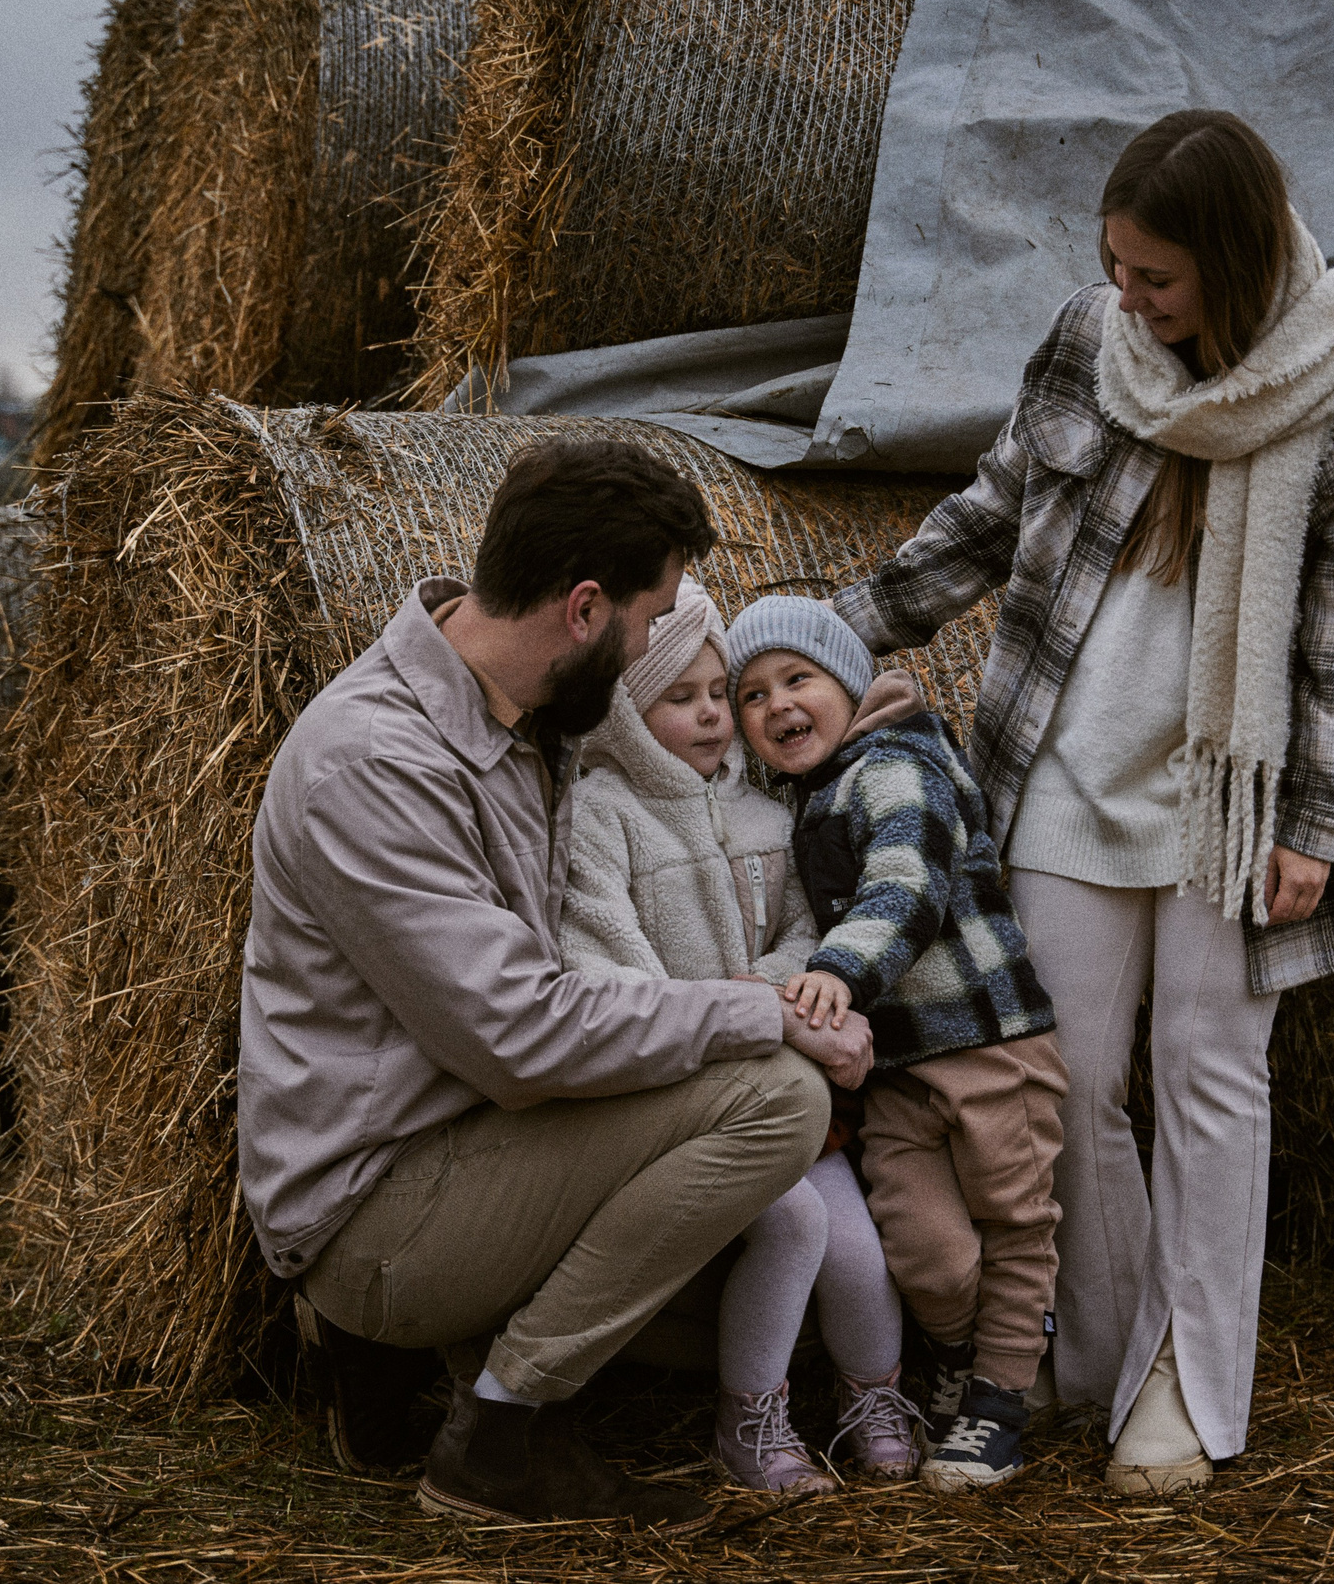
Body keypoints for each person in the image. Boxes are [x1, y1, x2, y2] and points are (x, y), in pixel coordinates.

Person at [832, 109, 1334, 1496]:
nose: (1130, 298)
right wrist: (838, 631)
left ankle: (1186, 1382)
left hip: (1244, 791)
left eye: (1158, 277)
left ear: (1230, 260)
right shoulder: (1090, 346)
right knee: (1069, 1077)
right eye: (1115, 265)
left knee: (1211, 1076)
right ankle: (1095, 1352)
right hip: (1068, 765)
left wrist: (1319, 822)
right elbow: (987, 514)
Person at [237, 438, 875, 1532]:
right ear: (585, 610)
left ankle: (411, 1366)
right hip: (378, 1206)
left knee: (752, 1295)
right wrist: (763, 1008)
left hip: (471, 1141)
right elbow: (521, 1039)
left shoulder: (524, 717)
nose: (651, 656)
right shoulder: (375, 762)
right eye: (651, 616)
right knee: (777, 1100)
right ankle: (497, 1434)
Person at [559, 576, 923, 1494]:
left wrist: (756, 990)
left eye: (721, 693)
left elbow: (810, 936)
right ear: (631, 713)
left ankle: (871, 1397)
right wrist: (729, 1009)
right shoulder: (601, 817)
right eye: (681, 699)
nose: (716, 716)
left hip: (788, 1077)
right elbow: (613, 974)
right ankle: (750, 1419)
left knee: (855, 1245)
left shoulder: (768, 813)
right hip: (685, 1099)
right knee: (792, 1221)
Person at [726, 596, 1068, 1494]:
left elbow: (905, 883)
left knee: (1015, 1216)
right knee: (925, 1248)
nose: (776, 705)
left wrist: (838, 971)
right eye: (751, 695)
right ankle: (967, 1355)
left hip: (989, 1043)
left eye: (797, 679)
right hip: (897, 1071)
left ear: (848, 681)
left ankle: (999, 1399)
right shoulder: (816, 793)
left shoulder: (897, 767)